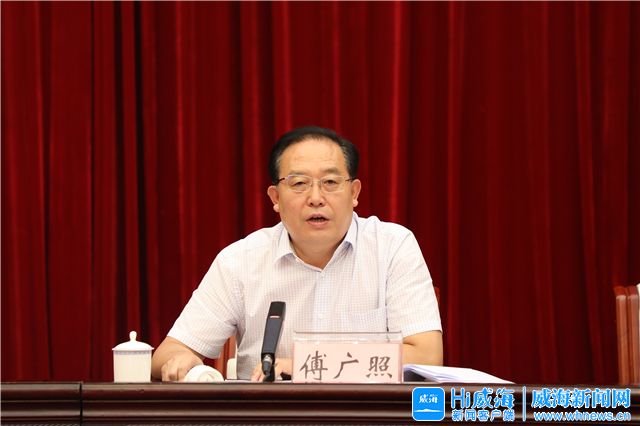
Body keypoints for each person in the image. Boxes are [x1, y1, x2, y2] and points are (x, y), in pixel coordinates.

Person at [151, 126, 443, 381]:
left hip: (367, 416)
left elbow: (427, 356)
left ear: (354, 193)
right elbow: (167, 355)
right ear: (275, 198)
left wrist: (304, 365)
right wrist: (184, 361)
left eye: (330, 183)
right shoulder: (240, 261)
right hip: (270, 417)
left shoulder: (392, 247)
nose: (316, 198)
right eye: (299, 184)